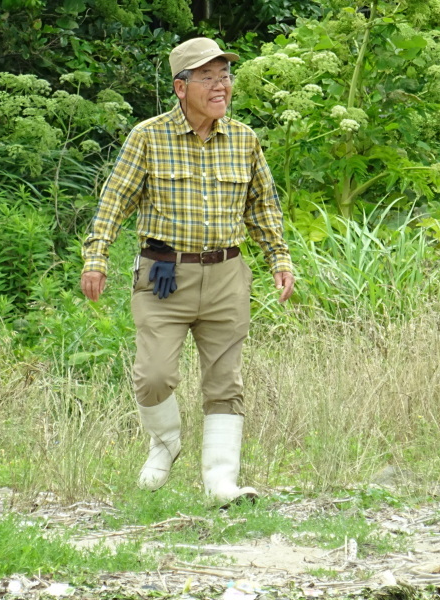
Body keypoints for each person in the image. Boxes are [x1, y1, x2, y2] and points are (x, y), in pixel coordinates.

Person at [80, 37, 295, 505]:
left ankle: (221, 483)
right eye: (209, 77)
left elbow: (263, 207)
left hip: (226, 276)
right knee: (154, 375)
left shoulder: (244, 139)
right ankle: (165, 443)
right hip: (164, 277)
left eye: (225, 76)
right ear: (181, 87)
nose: (221, 86)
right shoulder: (148, 136)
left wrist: (279, 258)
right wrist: (96, 258)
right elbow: (114, 202)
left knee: (225, 382)